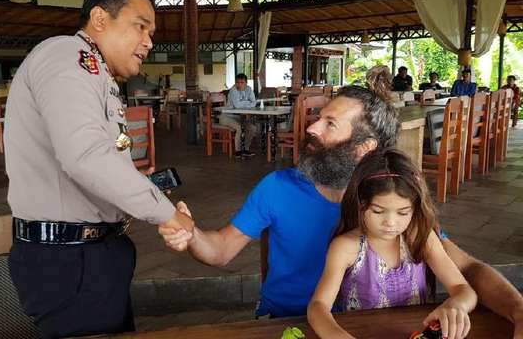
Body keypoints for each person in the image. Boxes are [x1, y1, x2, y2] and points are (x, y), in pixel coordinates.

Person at [159, 84, 523, 334]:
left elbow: (468, 268)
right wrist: (191, 233)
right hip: (288, 322)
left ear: (364, 148)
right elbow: (221, 250)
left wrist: (517, 310)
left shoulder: (386, 200)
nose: (312, 128)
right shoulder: (279, 187)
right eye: (318, 117)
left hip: (373, 322)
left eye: (329, 124)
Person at [4, 0, 193, 337]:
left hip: (91, 253)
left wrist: (139, 185)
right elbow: (85, 156)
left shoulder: (96, 73)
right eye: (141, 26)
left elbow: (96, 157)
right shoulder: (67, 56)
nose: (150, 42)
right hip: (68, 260)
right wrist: (167, 214)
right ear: (100, 18)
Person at [308, 149, 476, 339]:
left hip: (415, 333)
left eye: (403, 213)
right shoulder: (346, 248)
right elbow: (318, 306)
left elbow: (464, 290)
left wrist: (454, 306)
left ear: (415, 208)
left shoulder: (421, 238)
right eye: (379, 211)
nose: (391, 223)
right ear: (360, 204)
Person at [219, 73, 258, 158]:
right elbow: (237, 105)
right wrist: (248, 102)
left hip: (239, 117)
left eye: (242, 82)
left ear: (246, 83)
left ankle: (246, 149)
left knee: (252, 128)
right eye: (238, 82)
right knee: (240, 127)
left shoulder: (249, 89)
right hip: (226, 117)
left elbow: (254, 103)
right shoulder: (233, 90)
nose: (239, 84)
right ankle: (238, 151)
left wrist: (246, 103)